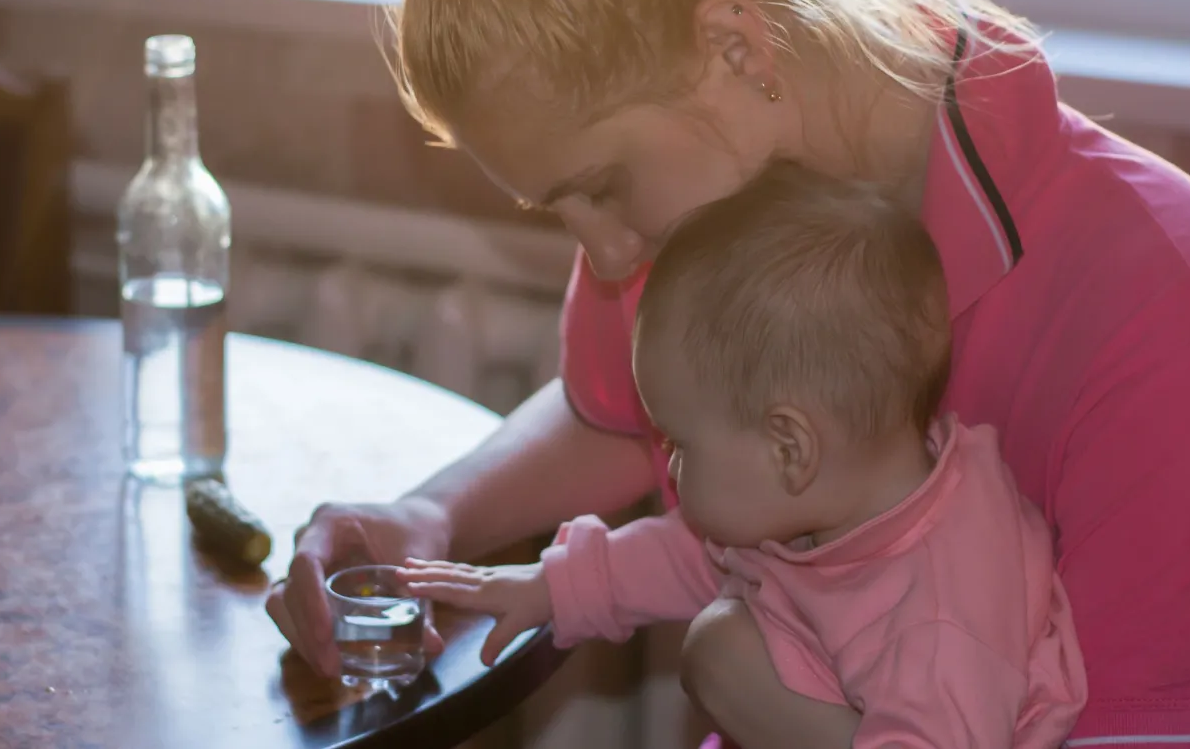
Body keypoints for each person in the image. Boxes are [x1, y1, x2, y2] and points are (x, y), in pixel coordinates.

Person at [266, 0, 1190, 742]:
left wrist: (752, 690)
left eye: (601, 187)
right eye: (557, 210)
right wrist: (432, 513)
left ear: (735, 45)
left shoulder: (1159, 299)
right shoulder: (724, 201)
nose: (603, 257)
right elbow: (615, 417)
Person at [398, 167, 1089, 747]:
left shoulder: (941, 618)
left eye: (679, 443)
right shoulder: (849, 493)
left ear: (789, 447)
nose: (667, 467)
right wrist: (549, 589)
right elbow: (697, 553)